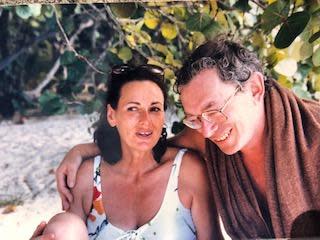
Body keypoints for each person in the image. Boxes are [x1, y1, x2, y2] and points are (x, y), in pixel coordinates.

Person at [36, 36, 320, 239]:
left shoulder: (314, 134)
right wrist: (82, 151)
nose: (206, 130)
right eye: (194, 118)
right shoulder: (208, 138)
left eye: (213, 110)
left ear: (256, 88)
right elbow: (146, 147)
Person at [31, 64, 218, 240]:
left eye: (154, 109)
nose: (146, 120)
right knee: (62, 226)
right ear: (112, 115)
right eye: (133, 108)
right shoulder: (88, 177)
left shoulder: (188, 171)